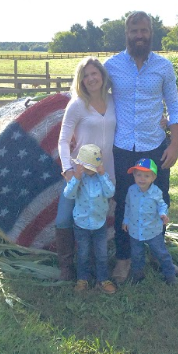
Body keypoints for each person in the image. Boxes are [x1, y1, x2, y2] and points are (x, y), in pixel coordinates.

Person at [104, 11, 178, 283]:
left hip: (155, 148)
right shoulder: (111, 66)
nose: (140, 35)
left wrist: (174, 143)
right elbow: (94, 98)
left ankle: (156, 251)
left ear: (151, 32)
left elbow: (174, 106)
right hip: (123, 148)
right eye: (134, 31)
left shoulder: (164, 67)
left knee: (160, 198)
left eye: (144, 30)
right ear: (126, 33)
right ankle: (124, 259)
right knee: (124, 202)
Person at [55, 57, 116, 281]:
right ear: (80, 80)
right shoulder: (77, 104)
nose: (91, 78)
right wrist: (68, 170)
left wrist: (161, 120)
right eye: (86, 75)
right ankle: (67, 267)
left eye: (94, 73)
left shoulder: (113, 101)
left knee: (98, 218)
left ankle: (97, 265)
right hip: (79, 174)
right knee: (63, 219)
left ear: (102, 76)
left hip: (104, 174)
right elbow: (63, 141)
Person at [63, 144, 116, 294]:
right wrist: (77, 178)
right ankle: (82, 279)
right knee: (83, 253)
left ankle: (103, 279)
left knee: (101, 254)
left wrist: (102, 174)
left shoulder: (102, 178)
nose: (88, 171)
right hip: (81, 224)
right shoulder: (78, 178)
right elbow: (69, 194)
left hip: (100, 223)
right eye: (85, 168)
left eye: (90, 168)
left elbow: (110, 192)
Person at [122, 158, 177, 285]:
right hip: (135, 230)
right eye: (138, 175)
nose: (142, 178)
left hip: (153, 230)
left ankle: (170, 275)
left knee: (161, 253)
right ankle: (138, 274)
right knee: (136, 255)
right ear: (134, 175)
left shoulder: (156, 192)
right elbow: (128, 206)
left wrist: (163, 214)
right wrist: (126, 220)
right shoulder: (131, 190)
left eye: (146, 176)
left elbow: (162, 205)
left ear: (153, 177)